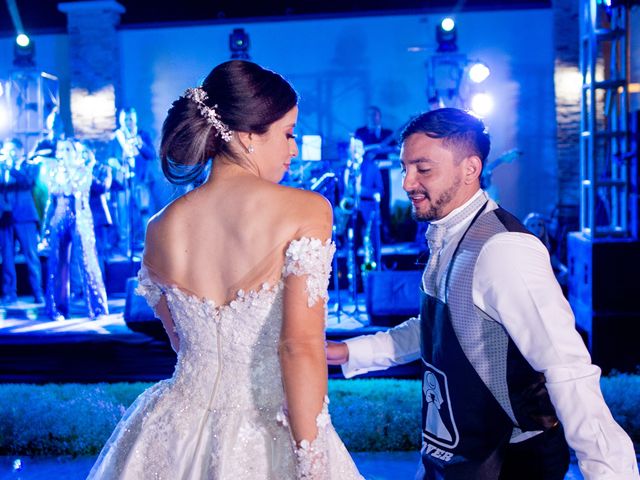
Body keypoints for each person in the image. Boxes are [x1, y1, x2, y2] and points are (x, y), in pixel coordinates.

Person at [327, 108, 639, 479]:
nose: (408, 183)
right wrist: (349, 351)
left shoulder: (503, 249)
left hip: (509, 463)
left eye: (423, 169)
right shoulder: (447, 234)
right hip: (454, 456)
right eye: (404, 168)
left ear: (470, 169)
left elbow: (567, 370)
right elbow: (441, 329)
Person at [87, 60, 363, 479]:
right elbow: (300, 347)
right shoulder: (305, 210)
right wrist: (311, 463)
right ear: (249, 135)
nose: (294, 149)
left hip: (172, 433)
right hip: (266, 430)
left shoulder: (160, 227)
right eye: (288, 133)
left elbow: (182, 343)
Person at [41, 139, 109, 321]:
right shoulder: (54, 173)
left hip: (80, 218)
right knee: (57, 263)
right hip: (59, 217)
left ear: (76, 152)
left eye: (68, 149)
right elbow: (50, 202)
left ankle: (98, 308)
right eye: (62, 149)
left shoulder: (83, 172)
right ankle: (57, 308)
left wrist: (73, 169)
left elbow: (78, 189)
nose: (64, 153)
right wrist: (45, 230)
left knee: (88, 261)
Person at [0, 138, 44, 304]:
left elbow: (27, 182)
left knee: (31, 256)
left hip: (25, 217)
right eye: (6, 150)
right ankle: (9, 293)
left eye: (12, 151)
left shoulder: (30, 166)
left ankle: (38, 292)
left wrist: (11, 168)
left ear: (20, 151)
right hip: (5, 219)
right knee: (7, 257)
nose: (9, 154)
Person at [108, 107, 157, 254]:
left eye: (130, 119)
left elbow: (152, 155)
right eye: (125, 120)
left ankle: (148, 248)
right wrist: (116, 164)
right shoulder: (116, 138)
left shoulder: (142, 135)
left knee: (145, 214)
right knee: (124, 215)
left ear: (135, 120)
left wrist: (139, 144)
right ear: (120, 121)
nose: (128, 122)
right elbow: (109, 158)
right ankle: (125, 248)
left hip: (141, 181)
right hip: (123, 182)